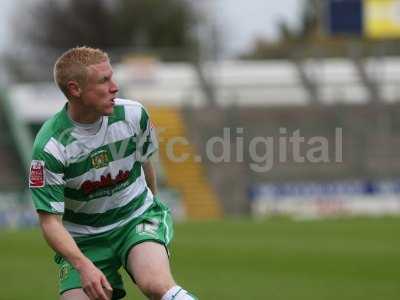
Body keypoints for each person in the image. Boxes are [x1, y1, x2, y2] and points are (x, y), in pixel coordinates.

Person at [29, 46, 197, 300]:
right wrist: (83, 265)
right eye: (104, 80)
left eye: (112, 77)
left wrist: (150, 212)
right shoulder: (50, 146)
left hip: (135, 218)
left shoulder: (133, 114)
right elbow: (50, 222)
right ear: (75, 89)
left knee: (156, 284)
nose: (115, 87)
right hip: (83, 241)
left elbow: (145, 163)